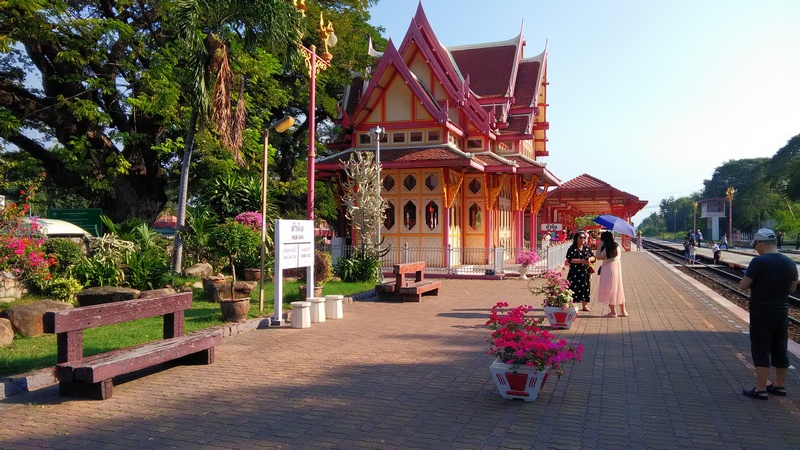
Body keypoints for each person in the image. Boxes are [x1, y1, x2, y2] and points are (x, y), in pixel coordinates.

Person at [739, 228, 799, 400]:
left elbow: (743, 285)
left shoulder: (759, 262)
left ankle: (761, 389)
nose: (755, 249)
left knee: (761, 349)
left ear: (761, 243)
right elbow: (792, 289)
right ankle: (779, 386)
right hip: (782, 311)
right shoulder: (789, 263)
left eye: (755, 245)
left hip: (761, 311)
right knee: (781, 348)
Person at [596, 231, 627, 317]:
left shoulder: (607, 248)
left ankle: (613, 312)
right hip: (617, 269)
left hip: (608, 270)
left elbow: (598, 256)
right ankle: (623, 311)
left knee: (609, 291)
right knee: (618, 289)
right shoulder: (617, 246)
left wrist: (600, 246)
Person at [565, 232, 596, 312]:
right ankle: (571, 304)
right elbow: (570, 259)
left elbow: (593, 257)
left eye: (584, 238)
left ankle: (585, 305)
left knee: (585, 288)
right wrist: (581, 261)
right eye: (581, 238)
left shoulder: (587, 248)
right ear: (576, 239)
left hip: (585, 272)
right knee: (572, 288)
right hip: (574, 272)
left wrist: (589, 259)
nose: (583, 239)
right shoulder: (572, 248)